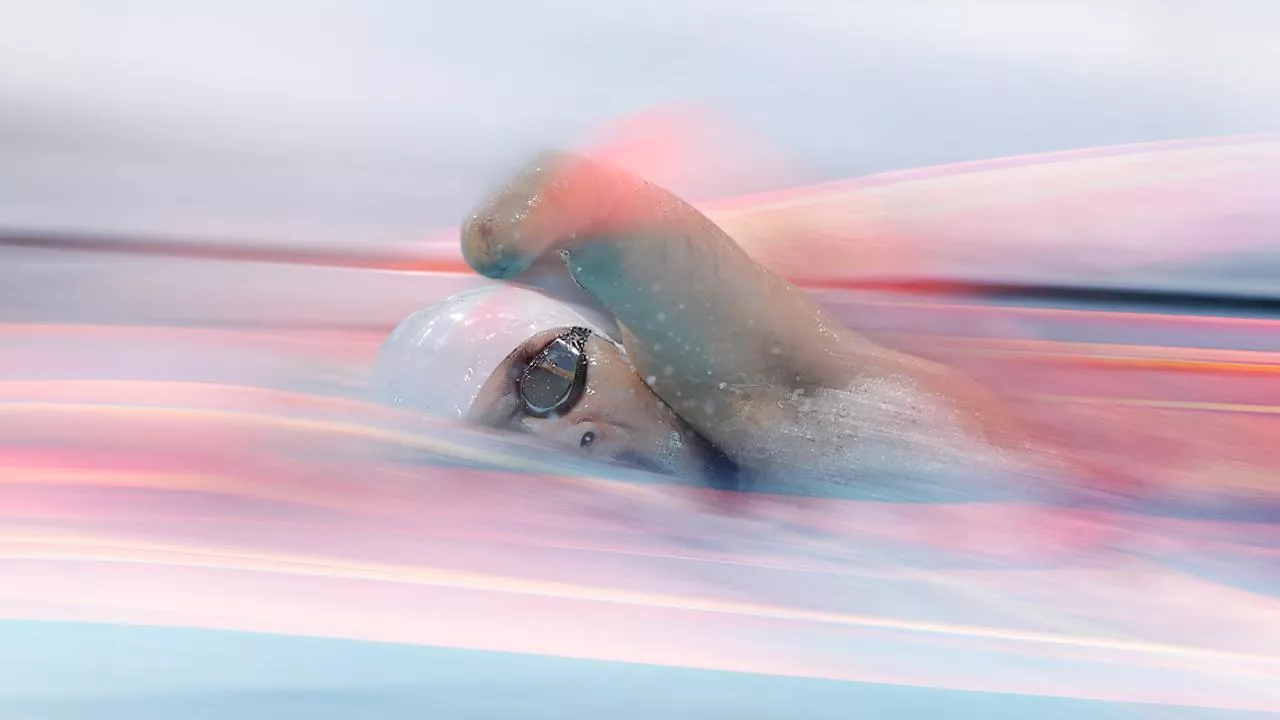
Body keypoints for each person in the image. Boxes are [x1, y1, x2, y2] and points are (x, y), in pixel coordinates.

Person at [374, 152, 1058, 501]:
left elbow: (657, 261)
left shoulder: (768, 415)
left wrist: (565, 208)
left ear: (610, 345)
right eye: (507, 442)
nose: (562, 431)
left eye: (548, 377)